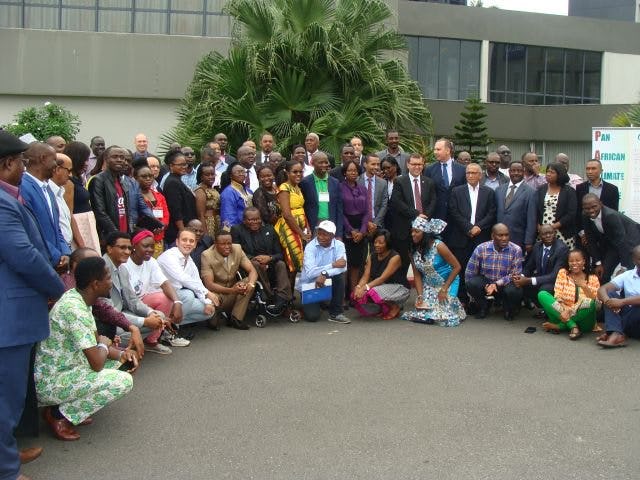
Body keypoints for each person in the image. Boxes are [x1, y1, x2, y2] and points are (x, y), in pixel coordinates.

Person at [0, 131, 65, 480]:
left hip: (14, 313)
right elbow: (22, 255)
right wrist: (57, 288)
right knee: (4, 399)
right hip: (9, 317)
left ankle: (6, 453)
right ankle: (7, 471)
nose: (25, 170)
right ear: (7, 163)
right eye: (22, 163)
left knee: (10, 396)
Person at [35, 257, 136, 441]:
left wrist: (123, 354)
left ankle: (68, 408)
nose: (111, 283)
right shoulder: (74, 309)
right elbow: (97, 362)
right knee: (123, 381)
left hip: (71, 368)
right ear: (95, 284)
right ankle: (58, 415)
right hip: (52, 382)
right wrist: (104, 345)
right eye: (108, 278)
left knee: (122, 363)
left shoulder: (81, 298)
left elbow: (96, 341)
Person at [102, 232, 170, 355]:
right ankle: (115, 349)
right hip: (107, 320)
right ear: (109, 249)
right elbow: (108, 312)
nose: (127, 252)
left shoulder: (122, 268)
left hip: (123, 313)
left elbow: (132, 300)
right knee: (124, 330)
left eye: (129, 248)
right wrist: (144, 321)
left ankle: (129, 345)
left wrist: (150, 313)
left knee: (159, 316)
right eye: (122, 248)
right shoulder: (102, 270)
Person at [125, 230, 190, 348]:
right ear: (134, 246)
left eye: (152, 246)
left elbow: (165, 283)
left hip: (143, 299)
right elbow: (129, 299)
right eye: (145, 246)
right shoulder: (125, 264)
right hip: (128, 304)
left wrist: (177, 302)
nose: (150, 250)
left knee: (166, 298)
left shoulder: (151, 262)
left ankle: (151, 340)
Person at [447, 163, 496, 306]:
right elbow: (453, 211)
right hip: (461, 237)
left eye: (474, 173)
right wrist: (469, 227)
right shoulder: (457, 191)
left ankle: (480, 300)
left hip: (481, 237)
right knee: (461, 268)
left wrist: (479, 227)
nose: (470, 175)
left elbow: (492, 212)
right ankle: (463, 299)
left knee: (481, 270)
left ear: (480, 175)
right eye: (468, 173)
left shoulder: (488, 192)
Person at [401, 217, 466, 326]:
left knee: (444, 314)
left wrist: (444, 289)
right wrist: (420, 296)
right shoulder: (412, 250)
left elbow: (457, 267)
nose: (412, 234)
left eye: (417, 231)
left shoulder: (439, 245)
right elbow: (417, 275)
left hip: (447, 282)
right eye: (412, 231)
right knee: (424, 310)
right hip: (430, 284)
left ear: (425, 233)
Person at [20, 142, 71, 269]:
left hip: (57, 260)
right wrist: (55, 256)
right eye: (54, 160)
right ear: (42, 159)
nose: (56, 165)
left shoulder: (48, 189)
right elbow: (32, 232)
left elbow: (56, 227)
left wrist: (65, 253)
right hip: (40, 262)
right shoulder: (23, 187)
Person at [231, 207, 292, 313]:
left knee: (281, 264)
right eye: (251, 220)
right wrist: (255, 259)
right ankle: (270, 295)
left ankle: (282, 297)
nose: (255, 222)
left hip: (270, 264)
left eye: (257, 219)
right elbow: (236, 252)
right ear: (244, 220)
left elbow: (280, 254)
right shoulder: (237, 230)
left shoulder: (269, 230)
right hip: (248, 266)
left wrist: (269, 258)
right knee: (256, 264)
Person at [389, 153, 437, 282]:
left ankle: (424, 294)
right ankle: (399, 292)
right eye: (414, 164)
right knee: (403, 264)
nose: (417, 167)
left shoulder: (429, 182)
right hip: (405, 230)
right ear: (408, 165)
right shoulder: (399, 181)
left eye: (420, 164)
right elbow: (396, 201)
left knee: (424, 263)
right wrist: (416, 214)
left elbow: (433, 201)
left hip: (423, 230)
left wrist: (424, 216)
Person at [157, 228, 219, 326]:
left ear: (195, 245)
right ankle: (170, 330)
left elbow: (197, 282)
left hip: (175, 296)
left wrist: (206, 301)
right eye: (184, 240)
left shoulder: (190, 261)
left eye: (191, 241)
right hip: (160, 296)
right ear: (177, 242)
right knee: (188, 295)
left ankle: (169, 324)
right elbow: (182, 278)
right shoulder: (169, 256)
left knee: (209, 311)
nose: (188, 243)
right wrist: (207, 293)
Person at [465, 223, 524, 320]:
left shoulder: (516, 249)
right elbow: (470, 273)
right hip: (486, 283)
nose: (504, 238)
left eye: (506, 235)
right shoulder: (481, 248)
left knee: (515, 290)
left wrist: (496, 284)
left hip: (505, 284)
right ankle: (483, 306)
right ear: (493, 236)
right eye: (500, 235)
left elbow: (515, 274)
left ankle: (508, 308)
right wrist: (472, 297)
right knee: (471, 283)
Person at [201, 231, 257, 330]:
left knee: (249, 280)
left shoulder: (237, 249)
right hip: (217, 293)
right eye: (223, 244)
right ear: (215, 244)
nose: (227, 246)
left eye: (229, 243)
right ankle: (215, 315)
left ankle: (236, 318)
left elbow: (252, 270)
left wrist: (250, 284)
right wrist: (232, 290)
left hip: (233, 289)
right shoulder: (206, 255)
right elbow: (209, 284)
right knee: (213, 324)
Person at [538, 249, 599, 340]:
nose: (574, 263)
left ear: (584, 262)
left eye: (578, 260)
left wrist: (584, 287)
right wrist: (564, 308)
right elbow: (558, 294)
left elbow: (595, 301)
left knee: (589, 302)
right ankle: (572, 325)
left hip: (584, 321)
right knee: (542, 294)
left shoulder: (593, 278)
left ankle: (560, 326)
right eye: (571, 261)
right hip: (561, 313)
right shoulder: (563, 273)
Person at [581, 193, 640, 282]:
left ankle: (627, 295)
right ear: (583, 208)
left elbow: (622, 242)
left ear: (601, 204)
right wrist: (598, 263)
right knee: (604, 273)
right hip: (613, 242)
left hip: (630, 240)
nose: (591, 211)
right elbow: (590, 240)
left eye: (594, 206)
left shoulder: (610, 215)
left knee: (627, 274)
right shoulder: (585, 215)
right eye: (587, 208)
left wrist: (624, 267)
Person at [352, 230, 409, 320]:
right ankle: (385, 308)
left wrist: (364, 288)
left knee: (370, 291)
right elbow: (366, 276)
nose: (377, 245)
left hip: (399, 288)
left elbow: (382, 278)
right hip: (381, 287)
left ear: (388, 243)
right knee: (356, 293)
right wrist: (359, 287)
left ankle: (395, 306)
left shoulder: (395, 257)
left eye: (380, 243)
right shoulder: (372, 256)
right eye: (375, 242)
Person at [512, 224, 569, 315]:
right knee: (522, 285)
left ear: (555, 233)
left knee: (543, 289)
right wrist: (521, 277)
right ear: (540, 235)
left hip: (557, 282)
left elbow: (555, 275)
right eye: (544, 234)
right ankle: (541, 308)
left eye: (551, 233)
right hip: (542, 278)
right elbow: (529, 267)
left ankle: (552, 312)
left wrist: (529, 280)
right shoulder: (537, 246)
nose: (548, 236)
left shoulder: (561, 249)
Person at [299, 221, 349, 324]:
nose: (320, 237)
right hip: (310, 284)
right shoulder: (310, 247)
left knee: (339, 276)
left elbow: (343, 267)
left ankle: (336, 313)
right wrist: (332, 265)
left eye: (324, 234)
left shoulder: (339, 245)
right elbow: (310, 273)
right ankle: (321, 302)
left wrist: (325, 273)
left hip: (326, 281)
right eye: (319, 233)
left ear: (332, 236)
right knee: (312, 317)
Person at [596, 245, 640, 348]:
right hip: (630, 322)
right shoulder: (628, 275)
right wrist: (609, 302)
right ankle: (616, 333)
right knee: (610, 294)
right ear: (634, 261)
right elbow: (602, 289)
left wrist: (622, 302)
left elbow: (624, 302)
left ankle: (613, 332)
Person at [275, 161, 311, 279]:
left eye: (301, 172)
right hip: (289, 227)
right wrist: (301, 234)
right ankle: (288, 295)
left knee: (301, 260)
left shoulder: (297, 187)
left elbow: (302, 210)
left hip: (301, 225)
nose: (298, 174)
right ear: (287, 173)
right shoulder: (284, 188)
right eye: (295, 172)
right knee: (293, 261)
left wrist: (307, 229)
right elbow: (287, 214)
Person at [341, 161, 370, 294]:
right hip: (346, 229)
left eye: (355, 170)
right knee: (346, 263)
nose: (353, 173)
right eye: (350, 170)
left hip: (361, 229)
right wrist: (351, 230)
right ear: (344, 172)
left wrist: (362, 231)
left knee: (356, 265)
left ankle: (353, 294)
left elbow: (367, 211)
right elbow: (340, 212)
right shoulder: (340, 188)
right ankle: (344, 295)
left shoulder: (363, 188)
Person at [495, 160, 537, 253]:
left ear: (524, 172)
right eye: (513, 170)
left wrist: (529, 241)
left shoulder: (531, 192)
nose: (516, 173)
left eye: (519, 171)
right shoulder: (499, 190)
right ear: (509, 172)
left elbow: (532, 219)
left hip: (518, 238)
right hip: (497, 238)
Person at [300, 152, 343, 238]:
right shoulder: (305, 182)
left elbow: (339, 209)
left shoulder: (335, 182)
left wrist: (339, 234)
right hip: (313, 224)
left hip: (331, 224)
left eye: (326, 162)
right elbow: (303, 207)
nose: (324, 165)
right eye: (320, 162)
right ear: (312, 163)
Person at [575, 159, 619, 242]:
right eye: (587, 169)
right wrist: (582, 233)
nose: (590, 171)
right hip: (585, 234)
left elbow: (614, 213)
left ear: (601, 171)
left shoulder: (612, 189)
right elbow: (577, 212)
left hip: (606, 236)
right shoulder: (580, 188)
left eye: (593, 168)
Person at [535, 162, 577, 249]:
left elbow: (571, 213)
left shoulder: (569, 191)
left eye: (552, 172)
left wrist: (552, 227)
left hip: (562, 232)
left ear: (560, 174)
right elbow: (535, 210)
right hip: (543, 233)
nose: (548, 174)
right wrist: (539, 226)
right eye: (547, 171)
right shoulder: (541, 190)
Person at [425, 138, 466, 223]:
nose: (435, 152)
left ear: (447, 150)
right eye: (435, 149)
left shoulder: (462, 169)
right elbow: (427, 194)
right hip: (436, 216)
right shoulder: (429, 169)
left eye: (438, 149)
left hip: (457, 217)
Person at [162, 150, 197, 245]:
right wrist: (182, 231)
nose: (184, 167)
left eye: (185, 164)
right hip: (177, 231)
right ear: (171, 166)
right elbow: (175, 210)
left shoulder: (178, 180)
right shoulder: (172, 182)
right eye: (180, 165)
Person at [51, 153, 86, 249]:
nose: (70, 175)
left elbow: (69, 218)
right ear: (57, 169)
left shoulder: (60, 191)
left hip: (67, 246)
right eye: (69, 170)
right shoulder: (46, 193)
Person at [135, 164, 168, 257]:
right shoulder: (134, 196)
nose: (148, 179)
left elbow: (166, 214)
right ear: (136, 178)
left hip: (159, 237)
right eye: (144, 176)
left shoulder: (159, 195)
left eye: (150, 176)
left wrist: (161, 226)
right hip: (143, 238)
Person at [357, 153, 388, 235]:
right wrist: (366, 222)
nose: (376, 167)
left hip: (378, 225)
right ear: (365, 164)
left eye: (378, 164)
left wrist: (375, 223)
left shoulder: (383, 183)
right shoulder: (357, 181)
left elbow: (384, 205)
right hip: (360, 225)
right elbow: (356, 205)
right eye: (373, 164)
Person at [220, 163, 253, 229]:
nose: (241, 174)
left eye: (243, 171)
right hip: (238, 229)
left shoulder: (249, 190)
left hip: (251, 228)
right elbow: (228, 215)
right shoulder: (228, 192)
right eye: (238, 172)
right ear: (230, 175)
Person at [193, 162, 221, 238]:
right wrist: (205, 235)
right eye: (207, 175)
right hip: (208, 223)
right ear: (201, 177)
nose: (211, 177)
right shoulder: (200, 191)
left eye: (212, 174)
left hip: (216, 221)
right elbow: (200, 215)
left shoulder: (212, 189)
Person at [381, 155, 400, 228]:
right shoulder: (383, 182)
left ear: (395, 166)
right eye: (383, 169)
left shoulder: (403, 181)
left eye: (388, 168)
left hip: (399, 220)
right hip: (385, 221)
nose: (385, 171)